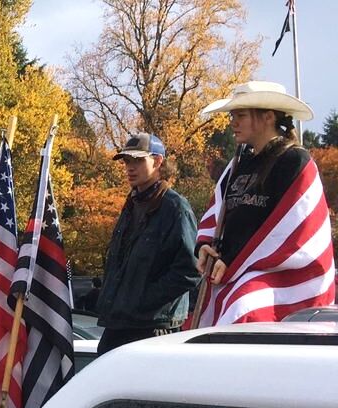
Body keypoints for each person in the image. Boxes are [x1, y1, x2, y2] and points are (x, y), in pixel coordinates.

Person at [194, 81, 335, 324]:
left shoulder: (294, 161)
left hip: (283, 275)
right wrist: (205, 246)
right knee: (213, 306)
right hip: (234, 270)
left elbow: (290, 231)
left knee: (242, 305)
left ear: (268, 117)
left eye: (241, 115)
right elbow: (219, 211)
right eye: (232, 116)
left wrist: (233, 259)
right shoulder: (238, 163)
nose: (233, 123)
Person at [90, 133, 200, 354]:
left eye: (138, 160)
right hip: (120, 323)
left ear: (158, 161)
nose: (130, 167)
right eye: (127, 161)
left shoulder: (175, 208)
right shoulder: (132, 204)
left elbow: (191, 270)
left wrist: (143, 300)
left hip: (153, 329)